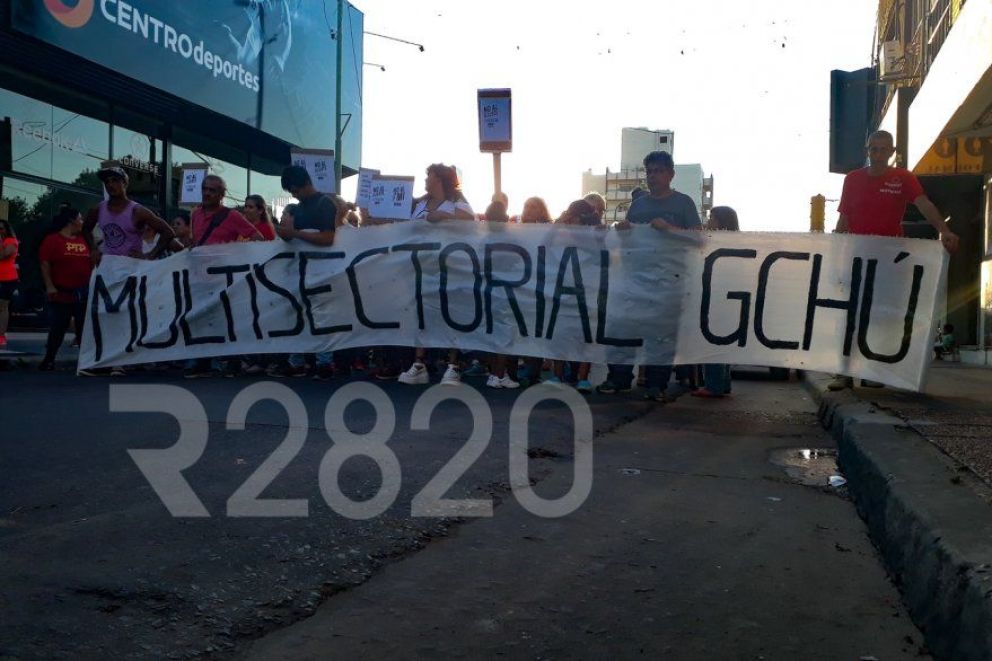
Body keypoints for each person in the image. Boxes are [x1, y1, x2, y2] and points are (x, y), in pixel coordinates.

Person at [829, 130, 959, 390]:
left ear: (892, 152)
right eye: (873, 149)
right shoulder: (853, 179)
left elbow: (923, 204)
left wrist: (944, 230)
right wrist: (833, 253)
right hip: (857, 257)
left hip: (890, 260)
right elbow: (844, 219)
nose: (878, 155)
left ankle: (873, 372)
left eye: (883, 150)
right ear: (867, 151)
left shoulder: (903, 178)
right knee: (852, 313)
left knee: (882, 315)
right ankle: (844, 372)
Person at [601, 150, 702, 402]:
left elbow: (699, 239)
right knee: (623, 329)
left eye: (658, 171)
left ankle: (657, 385)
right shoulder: (638, 205)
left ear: (671, 174)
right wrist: (622, 231)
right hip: (635, 279)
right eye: (649, 171)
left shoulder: (684, 203)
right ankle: (619, 378)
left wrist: (669, 229)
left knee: (662, 336)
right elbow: (628, 243)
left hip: (669, 281)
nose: (653, 176)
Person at [396, 163, 475, 386]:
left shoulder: (456, 200)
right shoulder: (420, 204)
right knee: (422, 313)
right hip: (421, 267)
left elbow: (470, 219)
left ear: (439, 178)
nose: (425, 179)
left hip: (451, 268)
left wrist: (442, 215)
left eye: (428, 175)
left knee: (451, 314)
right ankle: (419, 364)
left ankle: (453, 366)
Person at [184, 174, 263, 378]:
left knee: (226, 321)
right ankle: (204, 362)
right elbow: (197, 242)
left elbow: (258, 238)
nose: (207, 193)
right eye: (204, 189)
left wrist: (235, 253)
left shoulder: (232, 216)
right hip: (200, 277)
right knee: (201, 320)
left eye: (212, 190)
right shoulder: (195, 214)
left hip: (223, 279)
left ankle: (232, 361)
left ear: (221, 194)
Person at [274, 166, 339, 380]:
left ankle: (324, 362)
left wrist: (295, 233)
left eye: (294, 190)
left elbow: (328, 238)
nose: (294, 195)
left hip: (321, 271)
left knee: (322, 316)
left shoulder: (325, 203)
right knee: (298, 315)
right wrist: (286, 234)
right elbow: (294, 237)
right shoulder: (298, 208)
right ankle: (298, 361)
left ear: (303, 184)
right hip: (300, 271)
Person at [545, 199, 602, 392]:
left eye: (572, 217)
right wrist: (558, 223)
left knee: (585, 337)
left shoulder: (595, 236)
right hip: (565, 294)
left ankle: (582, 378)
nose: (569, 221)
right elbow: (544, 245)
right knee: (561, 335)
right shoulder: (563, 237)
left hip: (586, 295)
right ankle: (558, 375)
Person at [83, 164, 175, 263]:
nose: (110, 185)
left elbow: (168, 232)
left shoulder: (137, 211)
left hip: (131, 267)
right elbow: (85, 229)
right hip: (107, 266)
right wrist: (93, 249)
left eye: (115, 180)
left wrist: (149, 256)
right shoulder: (99, 209)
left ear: (125, 183)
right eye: (107, 181)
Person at [692, 206, 739, 398]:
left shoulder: (715, 241)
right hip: (729, 298)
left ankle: (713, 385)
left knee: (712, 341)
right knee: (721, 342)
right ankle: (722, 383)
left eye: (712, 217)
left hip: (716, 296)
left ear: (721, 221)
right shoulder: (737, 241)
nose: (708, 221)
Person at [38, 207, 92, 371]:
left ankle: (86, 362)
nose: (82, 222)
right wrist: (49, 286)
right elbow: (45, 263)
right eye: (80, 218)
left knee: (84, 328)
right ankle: (49, 359)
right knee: (58, 327)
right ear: (71, 221)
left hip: (83, 292)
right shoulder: (53, 240)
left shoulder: (84, 239)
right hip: (62, 292)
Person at [0, 219, 18, 349]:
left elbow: (3, 255)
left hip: (6, 278)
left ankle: (1, 335)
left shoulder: (11, 241)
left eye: (1, 228)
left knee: (2, 306)